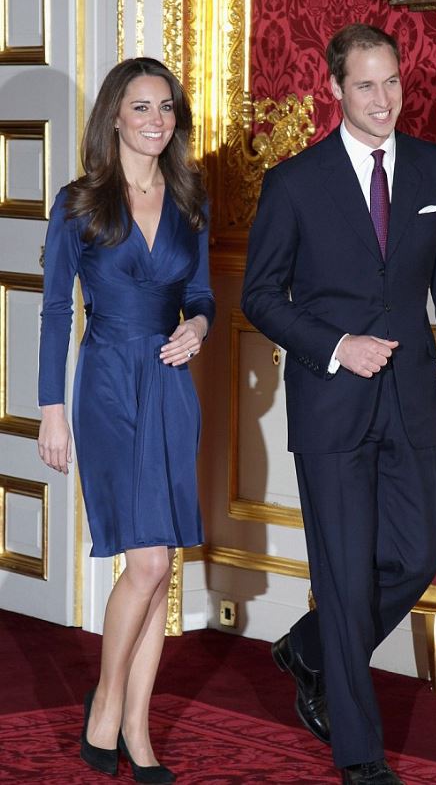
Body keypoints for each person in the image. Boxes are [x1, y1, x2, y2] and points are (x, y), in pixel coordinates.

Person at [242, 24, 436, 784]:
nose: (383, 100)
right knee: (344, 576)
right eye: (366, 85)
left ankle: (309, 647)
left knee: (417, 554)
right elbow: (258, 296)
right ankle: (360, 755)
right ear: (335, 90)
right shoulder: (294, 183)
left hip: (413, 402)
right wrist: (338, 345)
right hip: (331, 405)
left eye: (392, 82)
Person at [37, 57, 215, 783]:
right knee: (144, 561)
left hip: (171, 386)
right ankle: (106, 706)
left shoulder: (189, 197)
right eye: (141, 107)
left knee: (161, 565)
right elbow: (55, 310)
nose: (155, 120)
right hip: (108, 383)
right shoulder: (79, 203)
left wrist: (198, 327)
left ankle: (135, 728)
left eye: (166, 107)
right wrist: (51, 410)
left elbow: (201, 293)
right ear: (113, 115)